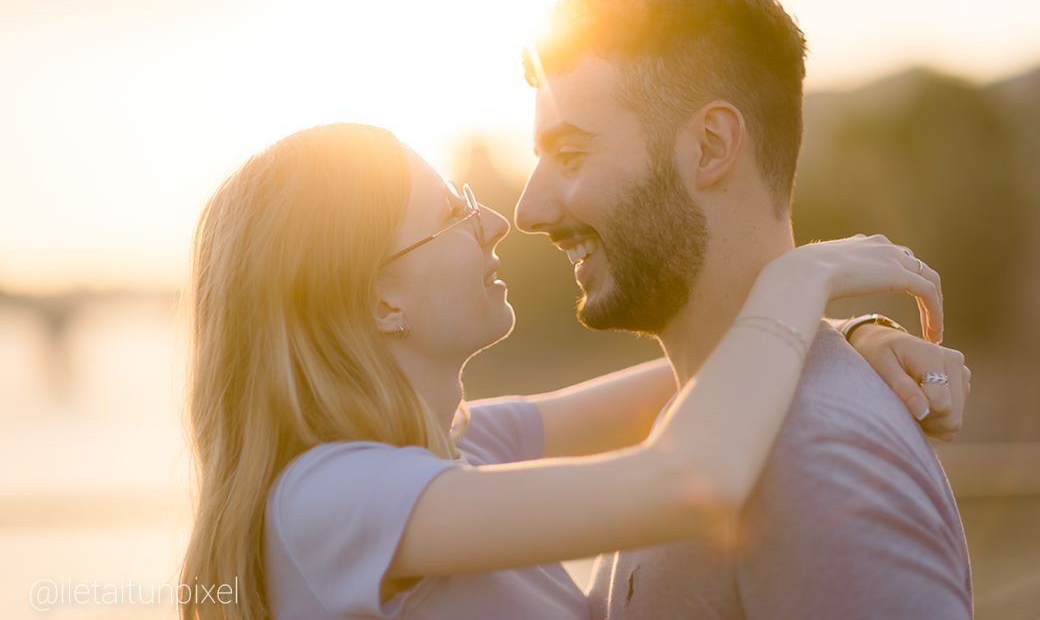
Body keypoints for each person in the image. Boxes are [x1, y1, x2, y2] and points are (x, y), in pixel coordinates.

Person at [179, 122, 963, 620]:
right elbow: (687, 480)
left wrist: (850, 331)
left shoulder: (457, 448)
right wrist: (799, 279)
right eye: (452, 213)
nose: (493, 221)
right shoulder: (331, 498)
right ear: (381, 301)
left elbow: (706, 368)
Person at [514, 0, 973, 619]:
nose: (530, 210)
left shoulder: (818, 461)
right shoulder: (711, 414)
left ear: (708, 147)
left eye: (572, 154)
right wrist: (851, 329)